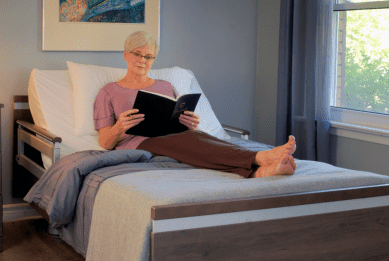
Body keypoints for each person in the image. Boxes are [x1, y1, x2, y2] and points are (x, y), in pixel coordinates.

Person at [93, 31, 297, 178]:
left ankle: (261, 172)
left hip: (173, 137)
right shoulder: (109, 91)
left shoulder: (165, 85)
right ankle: (260, 157)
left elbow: (175, 120)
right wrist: (119, 128)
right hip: (139, 143)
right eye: (138, 54)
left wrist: (187, 123)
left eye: (149, 57)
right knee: (188, 142)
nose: (142, 60)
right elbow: (105, 143)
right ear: (126, 54)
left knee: (197, 136)